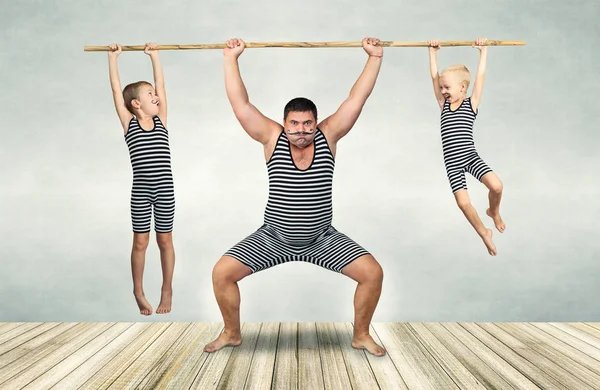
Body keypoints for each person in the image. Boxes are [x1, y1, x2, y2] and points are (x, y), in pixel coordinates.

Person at [204, 37, 386, 356]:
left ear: (316, 123)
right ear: (284, 123)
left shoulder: (328, 136)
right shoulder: (272, 138)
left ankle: (360, 335)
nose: (301, 130)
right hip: (273, 237)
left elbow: (357, 98)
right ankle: (231, 333)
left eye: (307, 124)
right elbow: (240, 104)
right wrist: (230, 59)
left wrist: (375, 57)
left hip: (321, 238)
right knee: (221, 273)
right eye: (294, 123)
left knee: (373, 274)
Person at [108, 42, 176, 315]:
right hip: (141, 191)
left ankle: (166, 289)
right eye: (150, 95)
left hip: (165, 191)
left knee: (165, 241)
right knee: (140, 242)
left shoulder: (162, 120)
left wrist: (155, 56)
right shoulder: (129, 123)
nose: (156, 97)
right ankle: (138, 290)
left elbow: (161, 84)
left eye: (156, 95)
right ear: (136, 104)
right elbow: (116, 90)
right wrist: (113, 58)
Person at [428, 38, 506, 256]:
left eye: (447, 87)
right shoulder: (443, 105)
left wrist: (484, 51)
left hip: (470, 158)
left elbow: (480, 77)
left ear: (463, 88)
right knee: (463, 203)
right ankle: (484, 233)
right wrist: (432, 53)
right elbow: (434, 77)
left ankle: (494, 211)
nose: (442, 90)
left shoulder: (471, 103)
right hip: (452, 164)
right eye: (441, 87)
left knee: (497, 187)